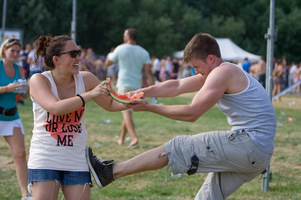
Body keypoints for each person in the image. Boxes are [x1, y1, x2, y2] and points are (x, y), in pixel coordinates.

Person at [86, 33, 277, 200]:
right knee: (207, 197)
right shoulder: (220, 71)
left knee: (176, 148)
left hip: (249, 144)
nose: (195, 72)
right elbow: (175, 86)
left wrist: (150, 107)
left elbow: (192, 112)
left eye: (196, 66)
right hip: (258, 152)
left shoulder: (222, 72)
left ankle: (110, 172)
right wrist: (140, 92)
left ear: (211, 58)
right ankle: (109, 173)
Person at [27, 35, 128, 200]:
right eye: (73, 54)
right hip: (45, 157)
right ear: (56, 59)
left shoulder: (87, 79)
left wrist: (134, 101)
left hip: (76, 159)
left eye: (79, 53)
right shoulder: (39, 80)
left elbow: (110, 104)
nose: (79, 58)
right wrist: (89, 94)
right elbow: (55, 108)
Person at [104, 28, 154, 148]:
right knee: (127, 112)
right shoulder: (144, 52)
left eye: (124, 35)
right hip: (136, 85)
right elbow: (148, 71)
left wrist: (113, 52)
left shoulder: (120, 48)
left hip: (123, 83)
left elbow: (107, 63)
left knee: (125, 111)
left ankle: (134, 138)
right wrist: (152, 87)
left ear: (127, 37)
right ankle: (121, 138)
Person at [0, 38, 31, 200]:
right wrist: (7, 88)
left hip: (12, 115)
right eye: (12, 50)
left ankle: (25, 194)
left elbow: (24, 95)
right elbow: (8, 89)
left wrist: (25, 89)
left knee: (20, 154)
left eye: (18, 51)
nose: (16, 54)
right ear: (4, 50)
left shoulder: (19, 69)